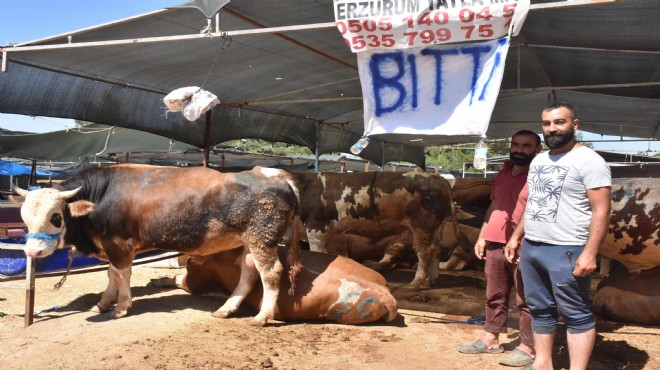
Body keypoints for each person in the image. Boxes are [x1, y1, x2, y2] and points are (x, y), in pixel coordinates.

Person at [505, 103, 611, 370]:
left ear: (574, 125)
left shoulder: (590, 161)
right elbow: (534, 203)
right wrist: (517, 236)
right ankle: (542, 363)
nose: (552, 129)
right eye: (546, 124)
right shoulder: (539, 160)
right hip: (533, 247)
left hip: (567, 249)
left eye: (559, 122)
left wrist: (590, 252)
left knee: (576, 314)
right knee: (539, 309)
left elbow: (602, 211)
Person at [458, 130, 542, 367]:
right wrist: (482, 236)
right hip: (495, 242)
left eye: (526, 146)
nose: (519, 149)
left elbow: (534, 209)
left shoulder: (539, 174)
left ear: (537, 149)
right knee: (494, 293)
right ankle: (490, 338)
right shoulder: (503, 171)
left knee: (526, 298)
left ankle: (527, 347)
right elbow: (494, 205)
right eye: (515, 144)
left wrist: (516, 238)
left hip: (525, 243)